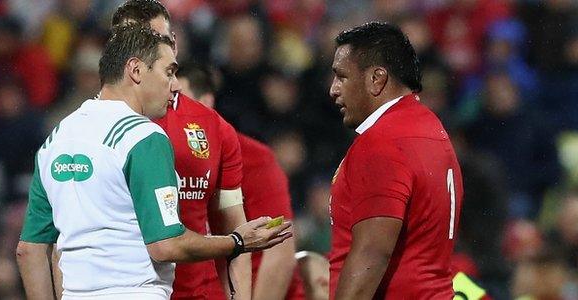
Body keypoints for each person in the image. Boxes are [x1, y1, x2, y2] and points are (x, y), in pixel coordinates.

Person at [16, 24, 291, 300]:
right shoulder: (143, 136)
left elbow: (29, 249)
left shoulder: (57, 139)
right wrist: (237, 242)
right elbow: (165, 244)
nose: (174, 86)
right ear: (135, 71)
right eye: (169, 72)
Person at [110, 2, 252, 299]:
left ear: (173, 43)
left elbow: (234, 231)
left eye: (158, 40)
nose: (146, 51)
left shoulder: (213, 127)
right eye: (133, 42)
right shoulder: (83, 132)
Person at [328, 22, 463, 299]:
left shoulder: (382, 142)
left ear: (377, 78)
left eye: (342, 77)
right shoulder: (429, 129)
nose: (334, 90)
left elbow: (372, 253)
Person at [174, 63, 304, 300]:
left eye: (180, 99)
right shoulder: (160, 156)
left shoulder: (253, 158)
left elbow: (279, 252)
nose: (173, 110)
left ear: (207, 100)